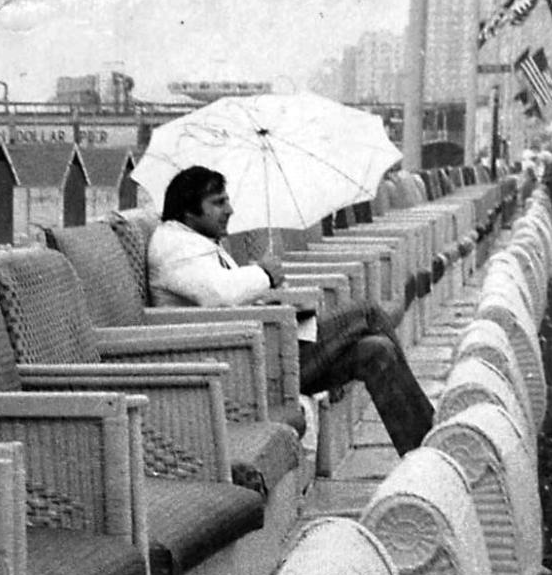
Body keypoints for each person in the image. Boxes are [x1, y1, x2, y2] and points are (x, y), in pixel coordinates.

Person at [147, 166, 433, 457]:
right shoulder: (174, 246)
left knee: (377, 350)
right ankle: (434, 435)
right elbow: (220, 294)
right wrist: (264, 274)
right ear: (188, 211)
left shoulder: (196, 242)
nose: (230, 210)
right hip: (236, 371)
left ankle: (423, 452)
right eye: (219, 202)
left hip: (258, 355)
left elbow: (228, 298)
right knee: (368, 313)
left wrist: (274, 301)